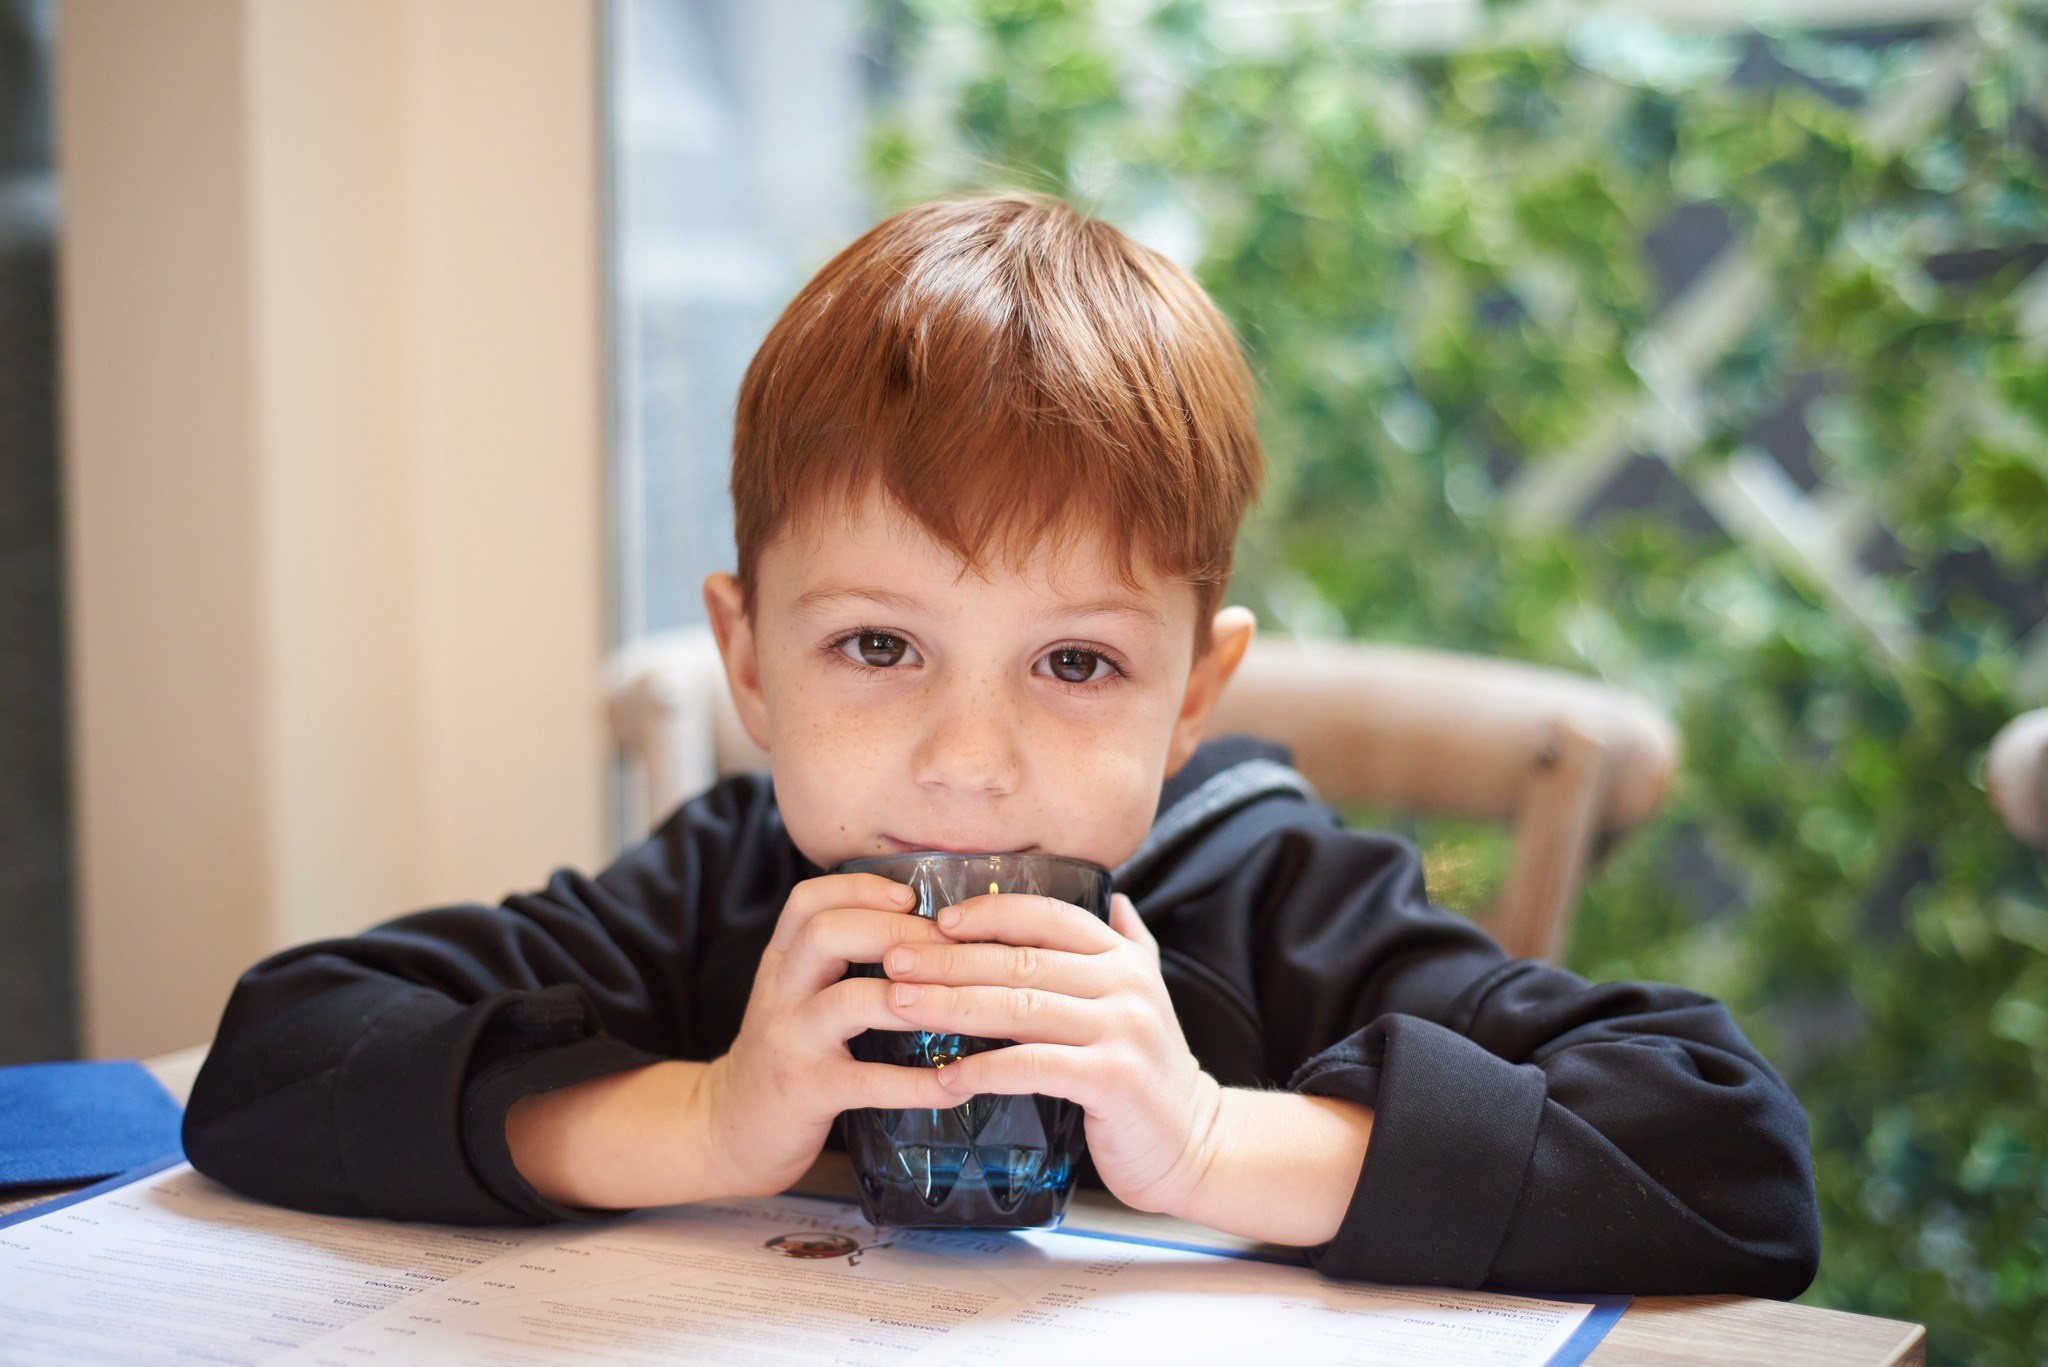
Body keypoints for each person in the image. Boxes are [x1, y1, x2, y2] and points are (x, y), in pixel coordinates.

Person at [183, 194, 1820, 1296]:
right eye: (879, 646)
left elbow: (1733, 1153)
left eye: (1078, 662)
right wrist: (698, 1119)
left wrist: (1205, 1140)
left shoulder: (1281, 907)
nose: (969, 762)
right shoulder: (721, 899)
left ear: (1193, 694)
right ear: (749, 662)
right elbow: (275, 1054)